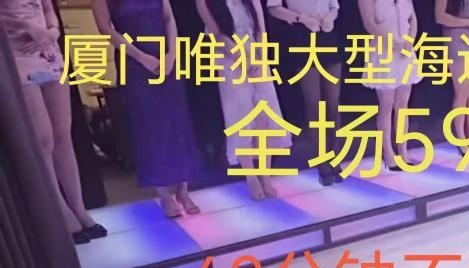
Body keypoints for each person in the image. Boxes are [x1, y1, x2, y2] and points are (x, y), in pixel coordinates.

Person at [0, 0, 106, 244]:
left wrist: (53, 30)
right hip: (15, 50)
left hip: (48, 49)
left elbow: (48, 8)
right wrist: (26, 26)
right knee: (43, 138)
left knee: (63, 135)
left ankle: (79, 208)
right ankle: (60, 210)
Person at [92, 0, 200, 218]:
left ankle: (183, 190)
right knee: (148, 125)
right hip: (134, 62)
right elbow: (105, 28)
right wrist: (141, 57)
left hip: (167, 58)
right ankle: (164, 194)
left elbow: (169, 18)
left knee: (177, 121)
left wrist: (172, 53)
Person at [196, 0, 292, 200]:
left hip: (257, 56)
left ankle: (265, 174)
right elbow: (216, 34)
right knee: (240, 117)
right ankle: (251, 176)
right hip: (229, 58)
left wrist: (259, 57)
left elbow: (261, 29)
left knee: (265, 115)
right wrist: (242, 58)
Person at [267, 0, 343, 186]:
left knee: (332, 105)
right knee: (314, 104)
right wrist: (300, 18)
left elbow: (334, 6)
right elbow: (273, 8)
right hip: (302, 35)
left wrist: (330, 17)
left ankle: (335, 158)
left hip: (327, 34)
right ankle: (322, 163)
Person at [357, 0, 422, 171]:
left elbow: (413, 19)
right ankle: (388, 153)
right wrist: (393, 43)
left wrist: (410, 40)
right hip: (383, 51)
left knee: (403, 106)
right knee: (386, 106)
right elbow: (369, 24)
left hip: (405, 51)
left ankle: (403, 150)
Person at [435, 0, 469, 156]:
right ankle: (461, 138)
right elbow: (440, 16)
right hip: (456, 36)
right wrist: (468, 22)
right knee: (462, 91)